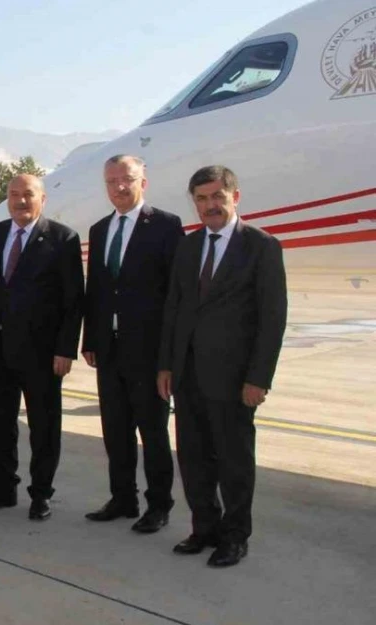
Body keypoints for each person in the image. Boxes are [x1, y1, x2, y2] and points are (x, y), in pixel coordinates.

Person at [157, 165, 287, 568]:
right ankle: (204, 529)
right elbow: (174, 309)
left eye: (217, 196)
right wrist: (166, 366)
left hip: (234, 380)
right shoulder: (189, 246)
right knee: (193, 458)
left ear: (235, 196)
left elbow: (272, 318)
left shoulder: (262, 246)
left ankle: (234, 536)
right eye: (201, 198)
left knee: (233, 461)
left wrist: (258, 379)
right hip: (188, 374)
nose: (210, 205)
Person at [81, 155, 184, 533]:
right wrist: (91, 338)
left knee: (152, 433)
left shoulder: (166, 226)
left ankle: (159, 504)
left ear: (144, 182)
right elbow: (97, 290)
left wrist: (168, 357)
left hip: (149, 351)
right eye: (111, 181)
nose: (119, 187)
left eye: (127, 179)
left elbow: (176, 294)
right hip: (109, 349)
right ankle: (122, 498)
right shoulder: (100, 228)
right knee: (116, 430)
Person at [0, 174, 84, 521]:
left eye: (29, 195)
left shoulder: (62, 238)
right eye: (14, 194)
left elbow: (73, 300)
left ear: (43, 199)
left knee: (44, 427)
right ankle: (2, 490)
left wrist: (66, 350)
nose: (21, 201)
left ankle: (41, 494)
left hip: (43, 354)